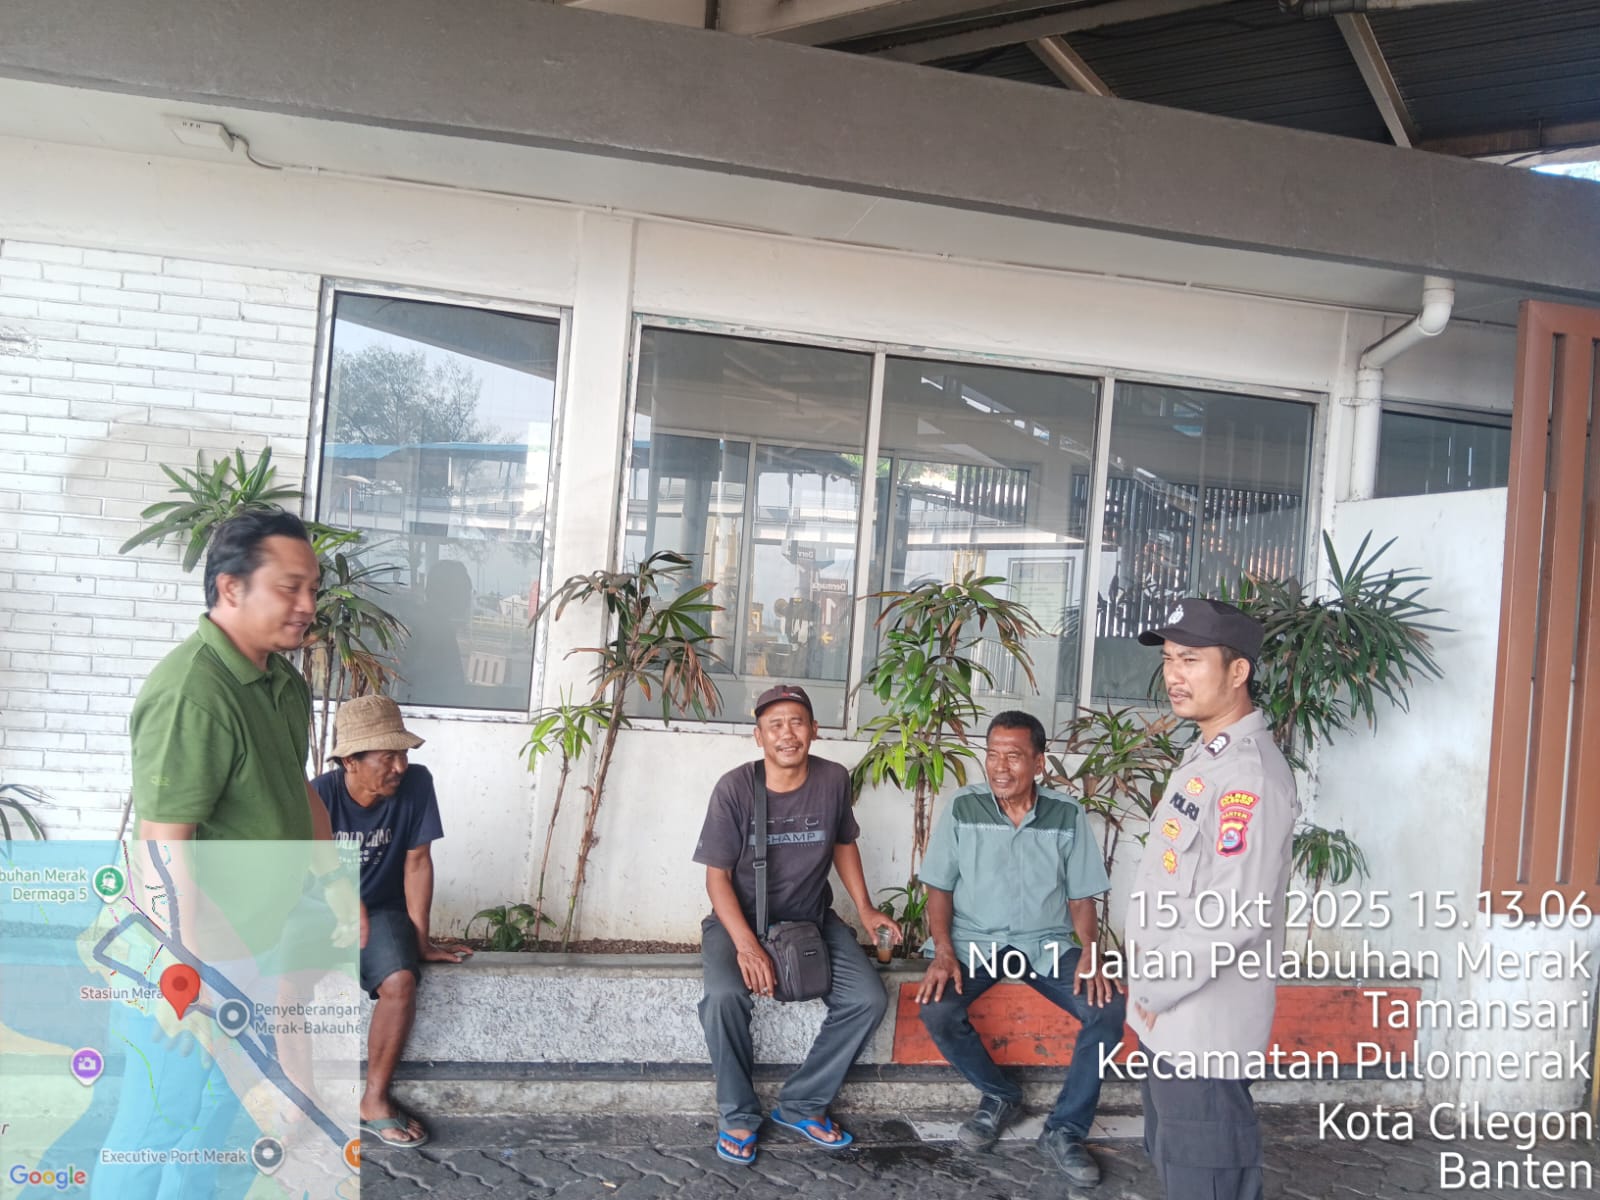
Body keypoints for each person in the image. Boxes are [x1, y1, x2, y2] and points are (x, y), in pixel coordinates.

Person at [1126, 598, 1299, 1200]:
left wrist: (1152, 988)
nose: (1174, 674)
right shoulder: (1207, 755)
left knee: (1207, 1181)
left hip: (1202, 1030)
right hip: (1172, 1021)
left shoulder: (1250, 776)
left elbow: (1232, 912)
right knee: (1177, 1166)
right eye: (1170, 659)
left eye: (1191, 660)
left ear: (1238, 671)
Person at [915, 710, 1126, 1187]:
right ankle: (999, 1095)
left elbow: (1081, 897)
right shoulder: (964, 807)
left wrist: (1090, 950)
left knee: (1108, 1007)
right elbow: (938, 887)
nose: (1000, 766)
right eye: (992, 755)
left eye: (1013, 756)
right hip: (975, 941)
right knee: (936, 1008)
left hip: (1045, 943)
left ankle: (1065, 1129)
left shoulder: (1066, 814)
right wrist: (943, 950)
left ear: (1038, 762)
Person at [692, 684, 898, 1166]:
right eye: (775, 725)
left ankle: (802, 1103)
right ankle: (738, 1114)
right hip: (739, 921)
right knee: (722, 998)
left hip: (810, 920)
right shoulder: (734, 788)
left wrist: (865, 909)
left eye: (797, 722)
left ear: (814, 730)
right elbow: (717, 878)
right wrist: (746, 946)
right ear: (758, 736)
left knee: (866, 999)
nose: (788, 734)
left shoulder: (833, 779)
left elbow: (843, 842)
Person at [312, 694, 472, 1149]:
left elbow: (417, 862)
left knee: (401, 980)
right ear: (350, 761)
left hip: (382, 910)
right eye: (388, 757)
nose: (400, 766)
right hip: (319, 911)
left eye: (403, 754)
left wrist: (421, 941)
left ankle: (374, 1101)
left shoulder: (417, 784)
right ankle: (295, 1099)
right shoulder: (317, 797)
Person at [131, 507, 328, 841]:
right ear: (232, 588)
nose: (309, 606)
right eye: (290, 587)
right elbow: (160, 844)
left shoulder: (285, 679)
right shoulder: (191, 695)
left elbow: (297, 788)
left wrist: (333, 873)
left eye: (312, 590)